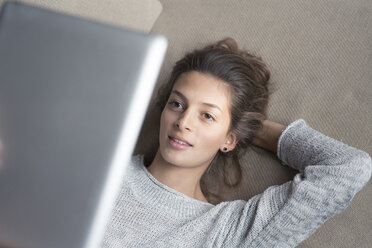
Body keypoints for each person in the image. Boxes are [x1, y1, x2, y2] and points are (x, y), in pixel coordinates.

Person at [102, 37, 372, 247]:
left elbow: (347, 168)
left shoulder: (226, 231)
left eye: (206, 115)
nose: (183, 122)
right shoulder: (101, 166)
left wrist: (248, 126)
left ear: (230, 139)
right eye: (177, 104)